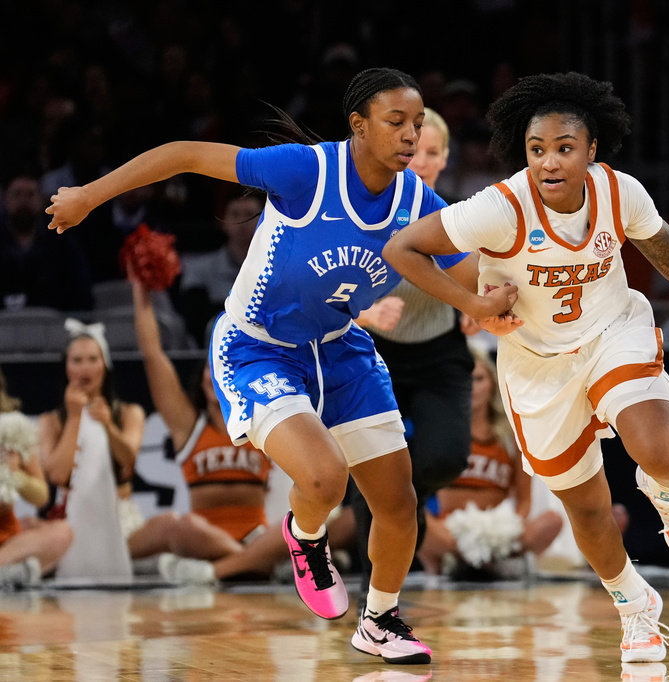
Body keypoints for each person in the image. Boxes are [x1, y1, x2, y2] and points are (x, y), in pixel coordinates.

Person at [46, 67, 478, 664]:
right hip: (258, 347)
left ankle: (379, 620)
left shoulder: (417, 201)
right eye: (396, 122)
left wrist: (517, 292)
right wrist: (89, 196)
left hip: (340, 348)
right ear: (358, 126)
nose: (410, 135)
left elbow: (470, 273)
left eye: (418, 123)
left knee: (398, 502)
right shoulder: (308, 170)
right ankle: (304, 536)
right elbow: (183, 154)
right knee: (325, 478)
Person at [384, 71, 669, 663]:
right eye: (538, 150)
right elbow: (402, 248)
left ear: (592, 150)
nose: (550, 162)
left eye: (565, 148)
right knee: (584, 506)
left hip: (613, 330)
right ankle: (634, 605)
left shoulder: (621, 192)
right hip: (537, 361)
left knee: (661, 449)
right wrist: (475, 306)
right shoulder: (501, 208)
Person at [351, 106, 475, 593]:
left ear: (444, 158)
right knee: (376, 472)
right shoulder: (370, 206)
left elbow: (486, 276)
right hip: (372, 351)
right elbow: (328, 285)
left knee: (445, 458)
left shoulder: (464, 219)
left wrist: (475, 304)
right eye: (413, 148)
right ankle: (373, 593)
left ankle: (412, 507)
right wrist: (365, 314)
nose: (421, 160)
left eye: (432, 152)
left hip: (439, 351)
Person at [123, 267, 275, 570]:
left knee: (298, 527)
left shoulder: (262, 415)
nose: (218, 376)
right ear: (203, 379)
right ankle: (255, 563)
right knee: (177, 525)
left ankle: (228, 567)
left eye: (227, 368)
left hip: (258, 534)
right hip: (202, 538)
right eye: (212, 369)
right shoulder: (189, 425)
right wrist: (141, 294)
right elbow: (153, 355)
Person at [417, 347, 562, 577]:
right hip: (451, 529)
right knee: (415, 522)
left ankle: (462, 562)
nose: (472, 386)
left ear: (492, 383)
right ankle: (487, 563)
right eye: (466, 379)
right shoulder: (444, 431)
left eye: (479, 379)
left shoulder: (510, 435)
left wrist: (512, 528)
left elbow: (525, 499)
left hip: (499, 529)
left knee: (552, 521)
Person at [37, 322, 145, 581]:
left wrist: (108, 426)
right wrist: (74, 417)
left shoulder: (130, 413)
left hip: (120, 517)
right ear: (67, 367)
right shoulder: (50, 421)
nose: (85, 368)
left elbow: (128, 459)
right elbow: (58, 476)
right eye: (77, 360)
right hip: (67, 518)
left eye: (92, 359)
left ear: (104, 365)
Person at [0, 372, 74, 587]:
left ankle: (6, 569)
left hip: (6, 536)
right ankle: (11, 571)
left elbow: (41, 496)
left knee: (61, 532)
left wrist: (15, 475)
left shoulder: (13, 430)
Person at [177, 191, 265, 344]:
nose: (242, 221)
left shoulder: (278, 269)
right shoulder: (199, 270)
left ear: (264, 221)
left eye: (250, 214)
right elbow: (194, 321)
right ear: (222, 221)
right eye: (235, 214)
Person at [0, 173, 93, 311]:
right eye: (17, 194)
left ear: (42, 201)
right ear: (5, 199)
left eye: (30, 194)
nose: (24, 201)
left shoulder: (62, 242)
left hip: (53, 326)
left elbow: (81, 295)